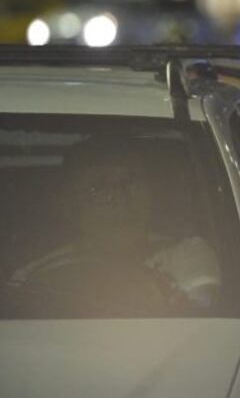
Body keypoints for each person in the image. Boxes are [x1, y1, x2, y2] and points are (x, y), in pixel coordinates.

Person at [6, 136, 220, 317]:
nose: (120, 197)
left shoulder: (186, 254)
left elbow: (206, 314)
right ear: (68, 203)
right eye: (99, 186)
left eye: (131, 181)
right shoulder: (33, 277)